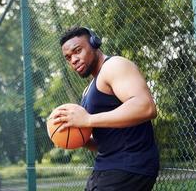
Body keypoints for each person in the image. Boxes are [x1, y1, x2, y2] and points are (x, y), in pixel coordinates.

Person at [48, 26, 159, 191]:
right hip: (106, 167)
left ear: (94, 43)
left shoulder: (115, 66)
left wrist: (88, 119)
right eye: (68, 57)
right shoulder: (89, 89)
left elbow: (146, 107)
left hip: (129, 166)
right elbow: (106, 142)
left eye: (77, 51)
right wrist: (77, 139)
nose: (73, 60)